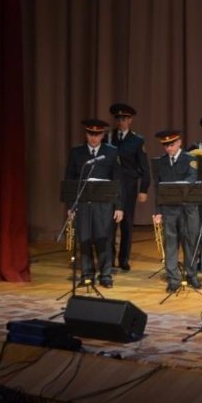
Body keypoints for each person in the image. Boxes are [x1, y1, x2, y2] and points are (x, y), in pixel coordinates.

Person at [64, 118, 123, 288]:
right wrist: (70, 206)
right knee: (84, 239)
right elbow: (69, 180)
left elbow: (118, 181)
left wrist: (119, 206)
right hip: (83, 204)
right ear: (86, 134)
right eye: (91, 134)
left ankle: (105, 274)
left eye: (97, 134)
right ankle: (87, 274)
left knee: (104, 239)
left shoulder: (111, 152)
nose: (93, 138)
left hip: (104, 204)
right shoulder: (77, 153)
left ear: (102, 135)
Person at [152, 130, 202, 293]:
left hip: (188, 209)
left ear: (179, 143)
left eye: (172, 144)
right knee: (171, 244)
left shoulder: (190, 159)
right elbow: (157, 188)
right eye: (166, 145)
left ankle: (191, 275)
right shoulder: (160, 162)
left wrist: (175, 188)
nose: (169, 148)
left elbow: (191, 179)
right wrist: (158, 210)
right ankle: (173, 279)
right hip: (169, 209)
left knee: (190, 243)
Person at [107, 103, 151, 272]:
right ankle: (109, 259)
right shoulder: (108, 137)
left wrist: (143, 189)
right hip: (111, 186)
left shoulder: (137, 140)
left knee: (126, 223)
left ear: (130, 120)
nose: (121, 122)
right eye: (118, 118)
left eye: (124, 119)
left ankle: (123, 259)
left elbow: (144, 167)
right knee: (109, 224)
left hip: (128, 186)